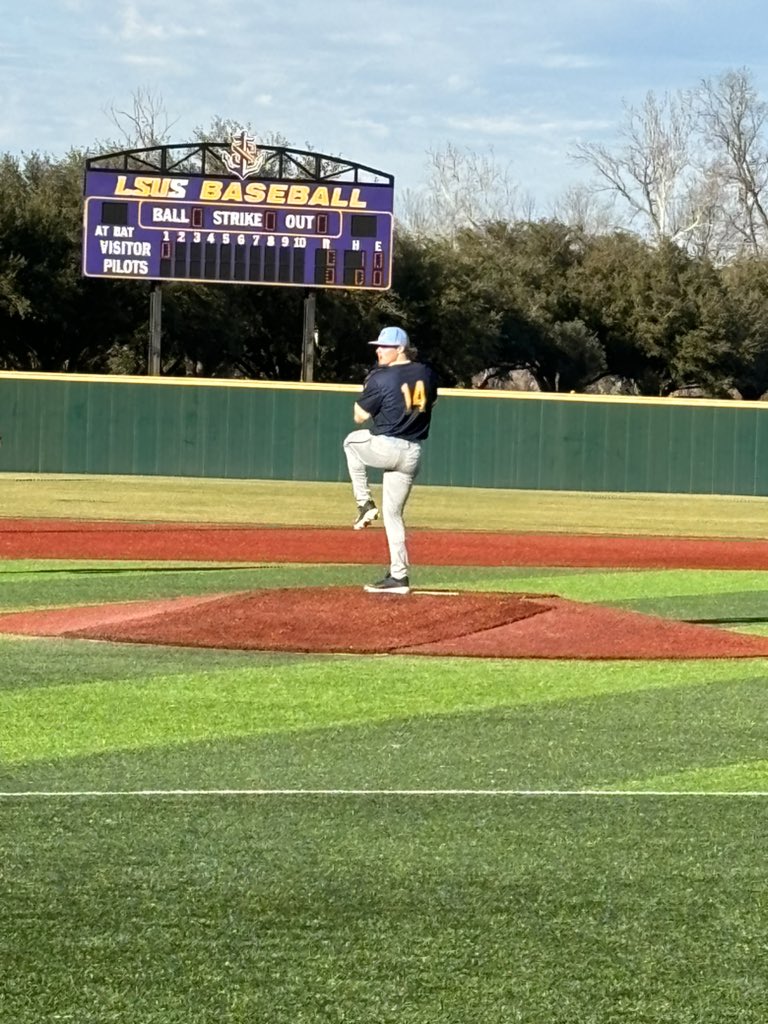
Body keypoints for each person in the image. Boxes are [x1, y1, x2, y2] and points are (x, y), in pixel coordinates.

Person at [343, 325, 438, 594]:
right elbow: (432, 403)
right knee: (393, 516)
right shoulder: (427, 372)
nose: (378, 350)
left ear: (400, 349)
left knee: (351, 441)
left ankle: (363, 503)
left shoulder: (381, 377)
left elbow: (359, 416)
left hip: (389, 446)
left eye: (384, 346)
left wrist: (372, 389)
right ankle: (399, 576)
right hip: (413, 453)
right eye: (378, 346)